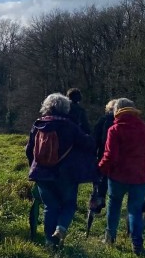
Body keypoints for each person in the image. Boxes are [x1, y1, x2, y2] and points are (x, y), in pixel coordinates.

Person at [25, 93, 96, 248]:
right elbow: (89, 144)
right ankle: (60, 229)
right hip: (67, 175)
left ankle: (49, 242)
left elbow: (29, 149)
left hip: (42, 173)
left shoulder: (38, 124)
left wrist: (33, 167)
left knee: (50, 206)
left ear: (46, 106)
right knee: (69, 204)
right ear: (66, 108)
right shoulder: (70, 126)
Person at [98, 98, 145, 256]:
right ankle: (137, 244)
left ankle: (110, 238)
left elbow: (110, 155)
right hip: (141, 177)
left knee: (114, 206)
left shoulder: (114, 129)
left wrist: (101, 169)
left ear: (117, 111)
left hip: (118, 176)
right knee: (135, 210)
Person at [86, 99, 117, 234]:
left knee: (97, 190)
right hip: (118, 164)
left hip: (102, 161)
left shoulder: (102, 121)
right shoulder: (121, 122)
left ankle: (89, 223)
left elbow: (94, 142)